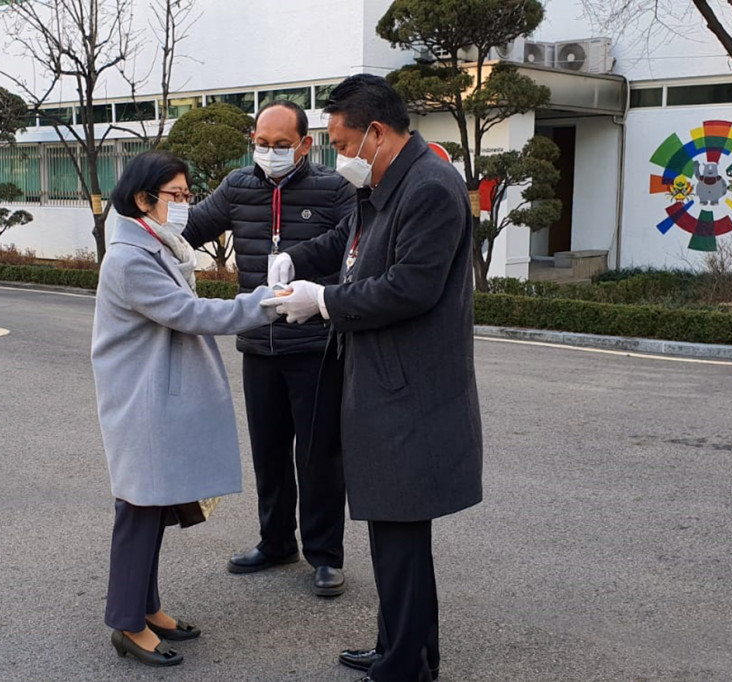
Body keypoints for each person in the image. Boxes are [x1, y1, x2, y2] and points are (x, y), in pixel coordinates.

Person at [264, 75, 483, 682]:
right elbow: (347, 242)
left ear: (377, 133)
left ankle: (406, 665)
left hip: (411, 393)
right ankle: (401, 649)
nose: (340, 157)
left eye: (341, 142)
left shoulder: (432, 187)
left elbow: (412, 287)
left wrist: (325, 301)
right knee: (393, 538)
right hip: (385, 384)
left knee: (402, 539)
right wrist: (296, 260)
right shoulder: (387, 181)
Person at [91, 150, 279, 668]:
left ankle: (146, 607)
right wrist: (262, 303)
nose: (184, 204)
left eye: (186, 195)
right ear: (142, 199)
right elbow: (187, 313)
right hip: (142, 398)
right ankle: (126, 623)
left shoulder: (155, 243)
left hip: (154, 393)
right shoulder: (130, 258)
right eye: (175, 196)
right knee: (139, 508)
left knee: (153, 505)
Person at [183, 100, 357, 596]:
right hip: (260, 343)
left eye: (281, 146)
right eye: (261, 144)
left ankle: (325, 556)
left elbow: (355, 247)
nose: (270, 153)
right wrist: (149, 212)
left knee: (319, 455)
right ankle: (276, 540)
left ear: (305, 144)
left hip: (316, 343)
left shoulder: (334, 188)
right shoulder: (238, 186)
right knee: (269, 451)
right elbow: (189, 231)